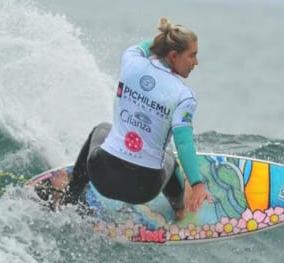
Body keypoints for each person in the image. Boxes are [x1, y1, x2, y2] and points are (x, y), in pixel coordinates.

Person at [60, 17, 212, 219]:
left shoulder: (131, 60)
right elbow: (183, 142)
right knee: (169, 159)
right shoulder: (184, 96)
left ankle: (70, 197)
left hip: (102, 174)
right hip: (143, 188)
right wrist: (197, 184)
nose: (196, 62)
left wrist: (168, 37)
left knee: (101, 129)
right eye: (192, 55)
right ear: (174, 55)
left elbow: (147, 47)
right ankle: (178, 209)